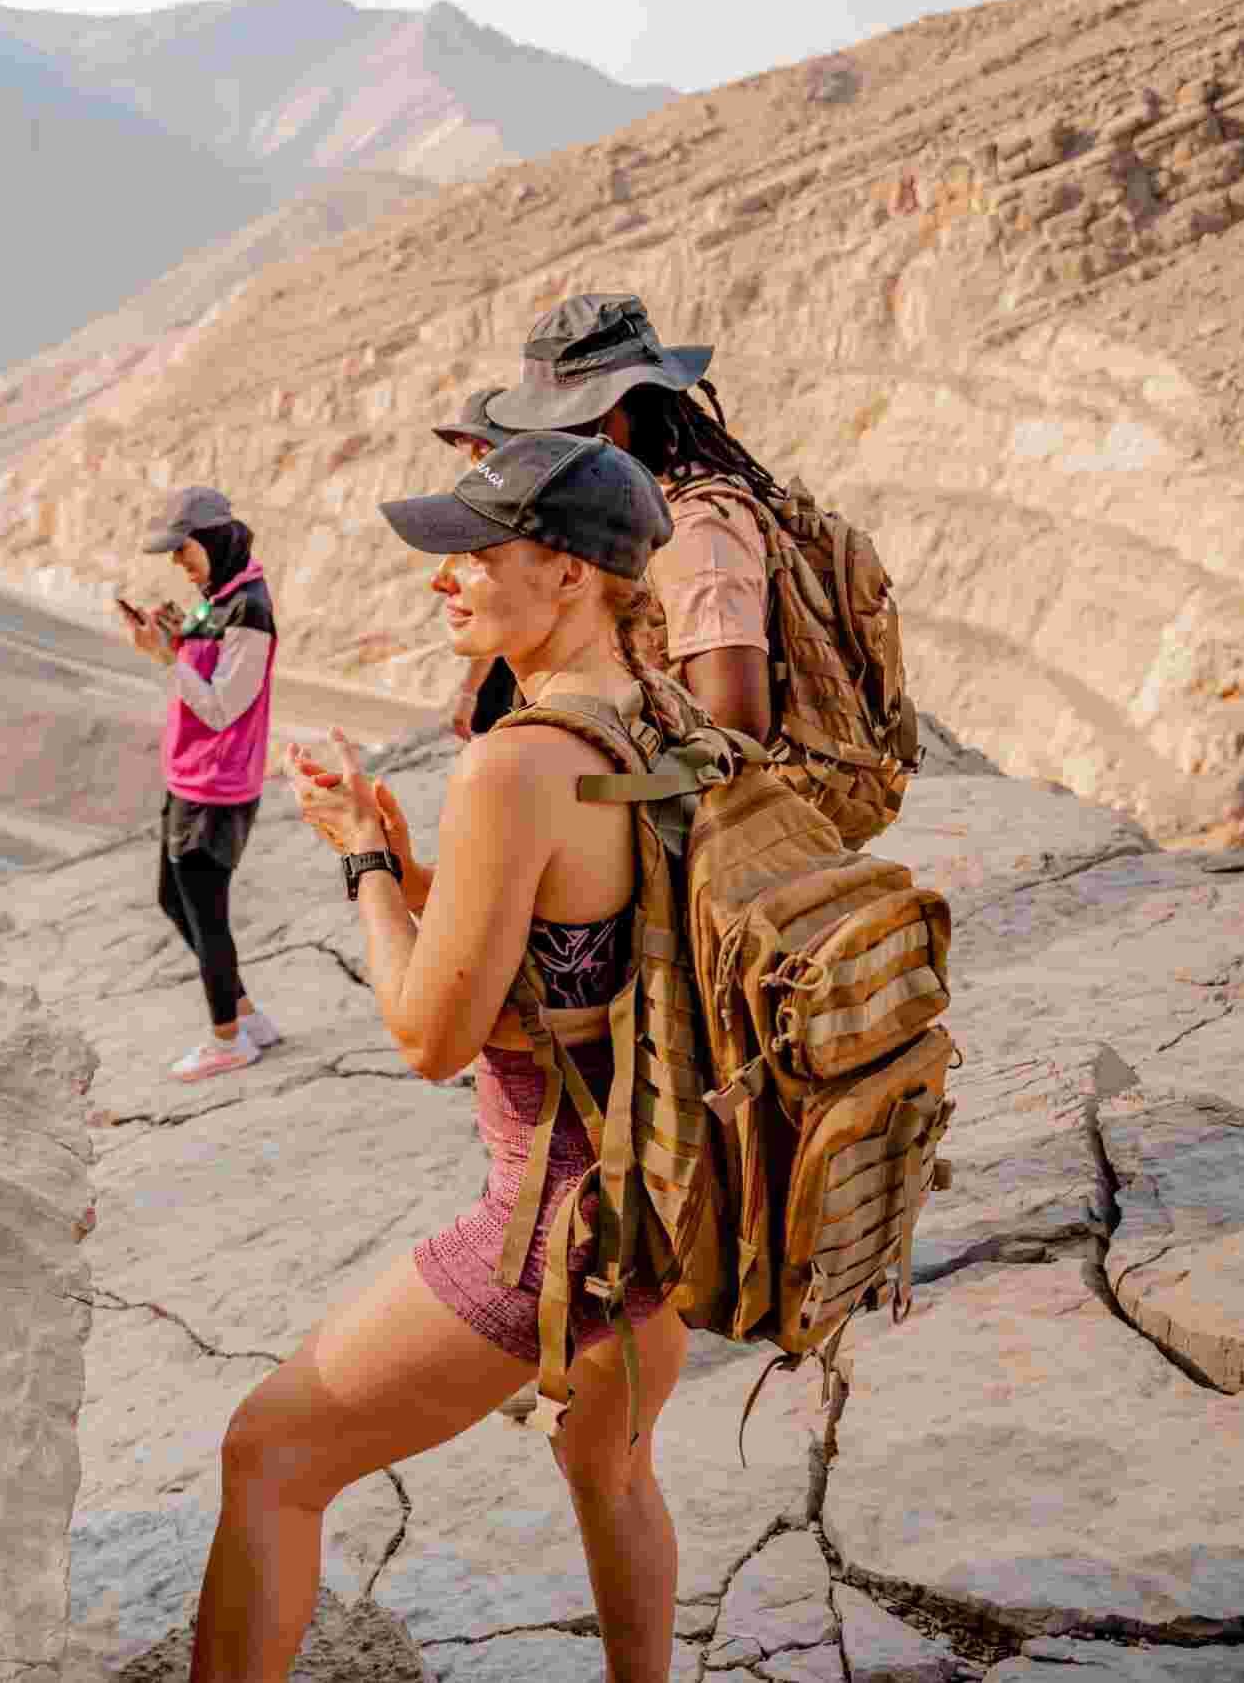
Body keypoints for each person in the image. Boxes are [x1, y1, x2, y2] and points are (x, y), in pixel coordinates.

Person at [186, 433, 686, 1683]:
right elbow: (576, 945)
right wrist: (415, 862)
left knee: (268, 1458)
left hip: (549, 1225)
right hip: (661, 1203)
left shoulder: (515, 760)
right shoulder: (658, 721)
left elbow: (427, 1034)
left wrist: (363, 865)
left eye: (475, 550)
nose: (441, 578)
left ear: (570, 572)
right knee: (610, 1467)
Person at [461, 292, 782, 742]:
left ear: (610, 420)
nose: (548, 442)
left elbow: (735, 733)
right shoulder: (634, 510)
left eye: (557, 424)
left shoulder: (695, 532)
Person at [118, 485, 282, 1083]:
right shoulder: (219, 596)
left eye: (183, 550)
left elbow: (220, 708)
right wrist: (173, 638)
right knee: (174, 899)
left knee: (207, 915)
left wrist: (169, 658)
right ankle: (244, 1014)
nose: (178, 564)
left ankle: (227, 1039)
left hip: (216, 786)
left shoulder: (250, 611)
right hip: (191, 776)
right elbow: (200, 662)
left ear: (212, 540)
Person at [429, 389, 522, 741]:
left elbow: (496, 607)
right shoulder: (496, 499)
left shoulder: (504, 508)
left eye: (481, 448)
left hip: (509, 668)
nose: (474, 460)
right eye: (467, 448)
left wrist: (468, 692)